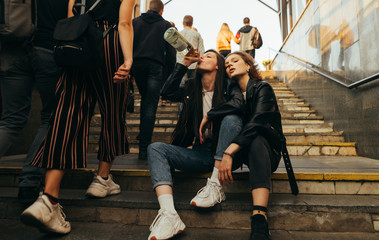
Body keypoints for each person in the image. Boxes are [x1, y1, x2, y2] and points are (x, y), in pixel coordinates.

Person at [20, 0, 136, 234]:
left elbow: (70, 16)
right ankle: (102, 178)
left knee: (66, 115)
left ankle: (49, 199)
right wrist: (128, 59)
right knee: (112, 112)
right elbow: (124, 23)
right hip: (109, 42)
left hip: (77, 41)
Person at [147, 49, 244, 240]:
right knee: (155, 148)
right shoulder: (191, 87)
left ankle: (215, 186)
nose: (203, 58)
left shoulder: (228, 85)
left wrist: (210, 115)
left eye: (209, 56)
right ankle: (169, 215)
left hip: (226, 155)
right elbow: (166, 92)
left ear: (218, 65)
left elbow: (238, 104)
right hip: (201, 153)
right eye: (203, 56)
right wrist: (183, 65)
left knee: (231, 119)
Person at [192, 51, 284, 240]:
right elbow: (232, 114)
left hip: (265, 152)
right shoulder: (230, 93)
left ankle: (259, 216)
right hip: (239, 154)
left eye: (235, 61)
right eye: (226, 64)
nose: (230, 65)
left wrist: (229, 150)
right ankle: (215, 185)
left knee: (256, 139)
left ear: (248, 65)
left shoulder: (262, 88)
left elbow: (257, 123)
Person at [0, 0, 69, 204]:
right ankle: (30, 180)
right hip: (48, 50)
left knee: (10, 121)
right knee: (51, 118)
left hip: (11, 52)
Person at [132, 0, 176, 160]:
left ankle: (143, 134)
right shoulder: (166, 26)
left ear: (149, 8)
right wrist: (168, 74)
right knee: (150, 104)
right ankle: (144, 148)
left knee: (146, 100)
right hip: (156, 67)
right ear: (162, 10)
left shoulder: (134, 22)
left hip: (137, 65)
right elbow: (172, 54)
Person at [176, 15, 205, 83]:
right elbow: (201, 50)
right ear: (192, 23)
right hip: (193, 64)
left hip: (180, 63)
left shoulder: (178, 34)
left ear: (183, 23)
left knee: (181, 87)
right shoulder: (196, 34)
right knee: (192, 86)